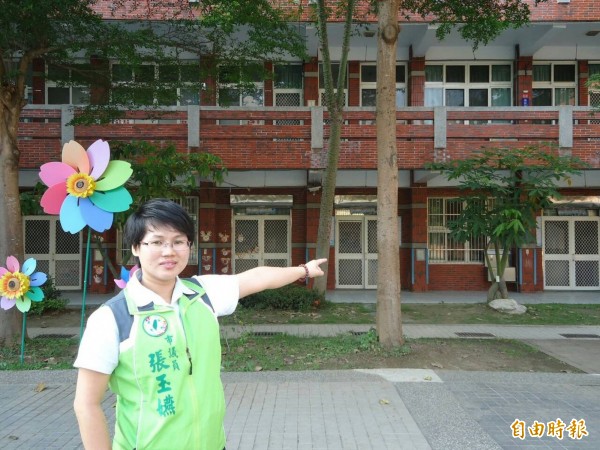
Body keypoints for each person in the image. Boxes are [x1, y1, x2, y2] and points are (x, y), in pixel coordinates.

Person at [73, 198, 326, 450]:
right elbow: (86, 404)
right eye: (157, 242)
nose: (168, 251)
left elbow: (256, 277)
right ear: (136, 247)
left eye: (178, 242)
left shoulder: (202, 293)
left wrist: (303, 270)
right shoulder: (112, 319)